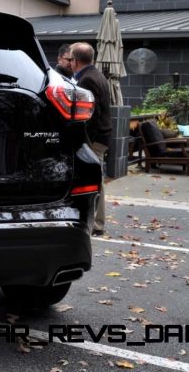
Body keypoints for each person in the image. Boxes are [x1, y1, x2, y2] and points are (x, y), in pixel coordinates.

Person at [70, 42, 112, 236]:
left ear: (75, 61)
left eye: (71, 59)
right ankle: (96, 222)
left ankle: (97, 223)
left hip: (94, 138)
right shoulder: (97, 76)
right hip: (102, 136)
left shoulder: (87, 79)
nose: (69, 63)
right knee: (96, 180)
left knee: (95, 181)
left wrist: (85, 141)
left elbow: (91, 115)